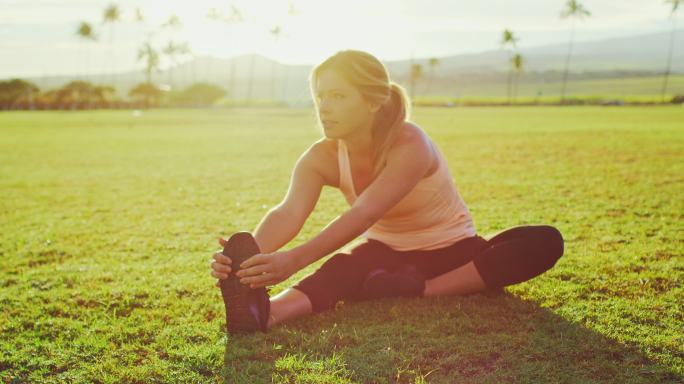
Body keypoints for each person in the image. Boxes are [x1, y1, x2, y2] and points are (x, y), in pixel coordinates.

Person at [210, 50, 564, 334]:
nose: (324, 106)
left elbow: (365, 213)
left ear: (372, 101)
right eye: (320, 96)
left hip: (453, 251)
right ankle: (268, 314)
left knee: (543, 241)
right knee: (340, 270)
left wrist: (294, 259)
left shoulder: (410, 143)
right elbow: (288, 212)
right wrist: (249, 260)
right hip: (384, 254)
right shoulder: (321, 156)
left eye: (338, 96)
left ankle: (421, 289)